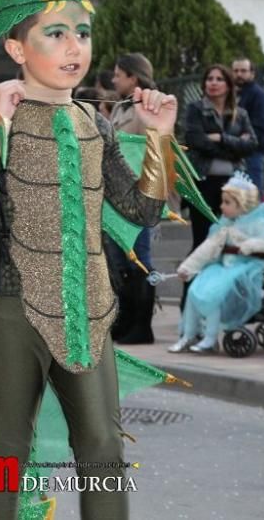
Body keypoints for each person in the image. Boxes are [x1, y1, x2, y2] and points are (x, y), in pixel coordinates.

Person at [0, 0, 177, 518]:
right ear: (17, 48)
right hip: (9, 301)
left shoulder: (93, 122)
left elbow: (144, 208)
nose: (75, 46)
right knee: (7, 446)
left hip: (88, 305)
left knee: (102, 449)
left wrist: (160, 137)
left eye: (83, 33)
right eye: (56, 34)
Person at [170, 171, 264, 353]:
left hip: (247, 269)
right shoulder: (225, 225)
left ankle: (210, 337)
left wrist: (252, 245)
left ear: (242, 205)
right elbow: (207, 248)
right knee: (194, 291)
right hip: (224, 268)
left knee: (214, 294)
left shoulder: (259, 223)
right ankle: (189, 334)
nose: (222, 206)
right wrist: (187, 268)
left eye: (227, 203)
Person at [107, 52, 159, 344]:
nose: (114, 80)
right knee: (121, 260)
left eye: (118, 74)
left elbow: (151, 150)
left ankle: (142, 324)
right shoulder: (121, 108)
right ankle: (126, 322)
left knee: (139, 259)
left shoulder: (146, 107)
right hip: (118, 194)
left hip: (139, 193)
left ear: (133, 77)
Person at [183, 64, 257, 252]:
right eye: (209, 79)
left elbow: (252, 144)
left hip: (233, 184)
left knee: (233, 237)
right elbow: (196, 141)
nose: (213, 83)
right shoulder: (195, 109)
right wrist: (233, 150)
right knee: (202, 238)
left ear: (229, 85)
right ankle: (195, 280)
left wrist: (222, 138)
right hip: (203, 181)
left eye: (219, 79)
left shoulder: (240, 114)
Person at [233, 57, 264, 195]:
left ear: (252, 73)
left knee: (253, 195)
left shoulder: (259, 95)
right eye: (236, 70)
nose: (239, 74)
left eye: (243, 70)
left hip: (253, 152)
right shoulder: (235, 94)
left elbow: (260, 126)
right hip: (235, 151)